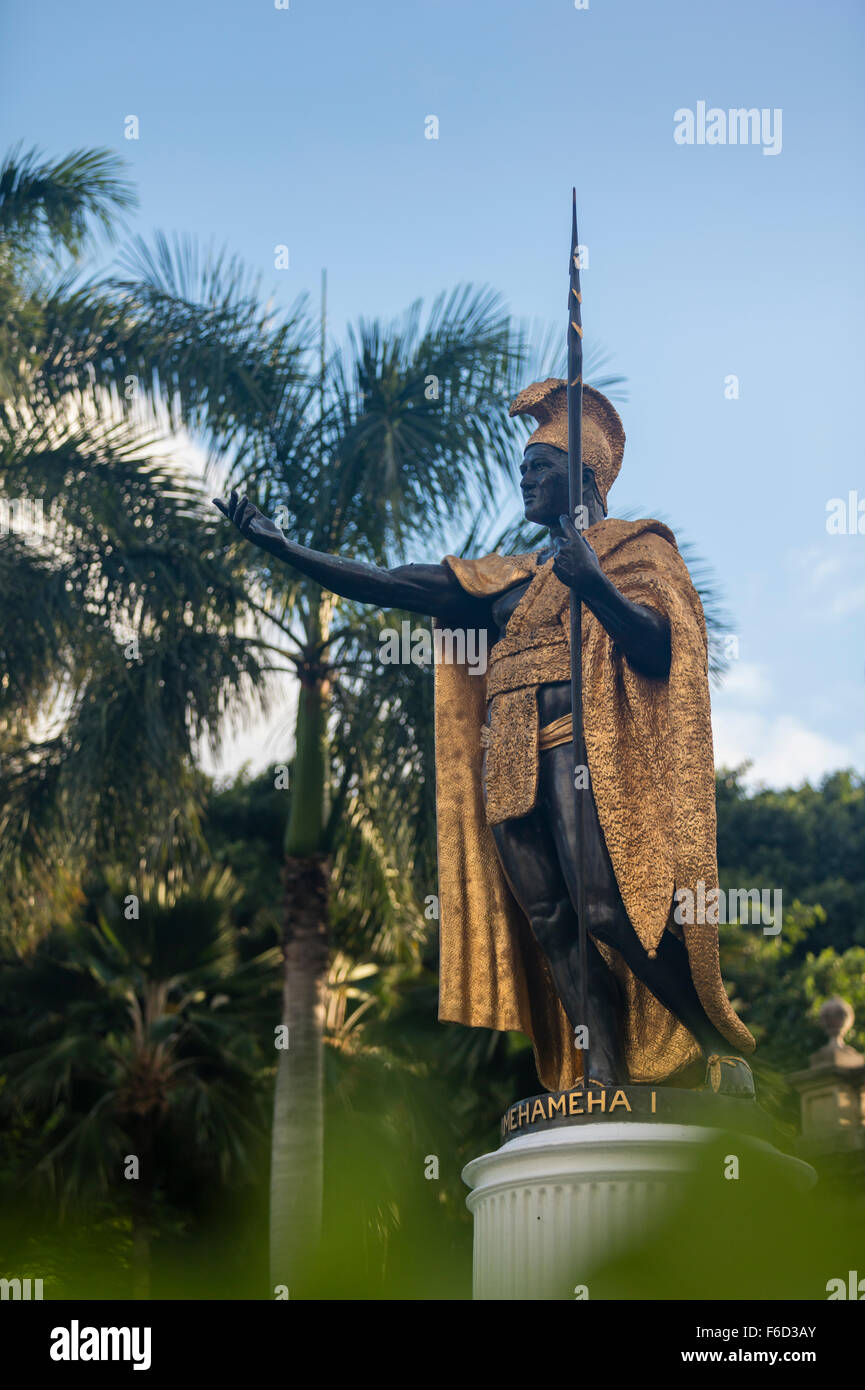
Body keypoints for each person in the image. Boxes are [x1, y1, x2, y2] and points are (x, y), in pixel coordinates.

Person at [215, 378, 755, 1097]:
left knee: (603, 907)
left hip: (581, 750)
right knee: (553, 920)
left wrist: (594, 586)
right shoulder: (506, 579)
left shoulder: (636, 551)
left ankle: (718, 1045)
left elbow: (661, 652)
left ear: (583, 475)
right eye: (522, 469)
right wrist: (285, 549)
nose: (523, 480)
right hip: (508, 757)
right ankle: (599, 1070)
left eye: (539, 469)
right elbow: (389, 583)